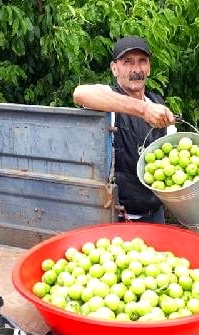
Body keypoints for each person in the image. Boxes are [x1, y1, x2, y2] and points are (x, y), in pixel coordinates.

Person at [73, 36, 176, 223]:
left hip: (155, 214)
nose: (136, 69)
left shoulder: (157, 103)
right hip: (119, 219)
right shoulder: (110, 100)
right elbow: (80, 94)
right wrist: (143, 110)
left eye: (142, 61)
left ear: (149, 67)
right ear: (114, 68)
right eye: (127, 62)